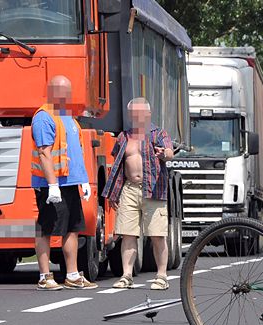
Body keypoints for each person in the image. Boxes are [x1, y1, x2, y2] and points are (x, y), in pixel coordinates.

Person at [31, 75, 98, 290]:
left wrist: (83, 180)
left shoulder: (69, 118)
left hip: (70, 184)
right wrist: (52, 185)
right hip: (52, 185)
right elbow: (44, 153)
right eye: (62, 91)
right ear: (52, 92)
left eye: (68, 91)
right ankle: (44, 276)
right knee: (46, 229)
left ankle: (72, 275)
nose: (66, 95)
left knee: (72, 228)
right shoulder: (44, 117)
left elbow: (76, 152)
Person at [102, 98, 174, 290]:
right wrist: (113, 192)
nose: (137, 117)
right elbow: (117, 166)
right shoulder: (124, 137)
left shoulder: (158, 134)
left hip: (153, 189)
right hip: (130, 189)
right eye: (134, 113)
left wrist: (163, 154)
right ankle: (126, 275)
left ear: (148, 114)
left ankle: (161, 276)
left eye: (141, 113)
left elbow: (169, 152)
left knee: (157, 235)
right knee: (127, 234)